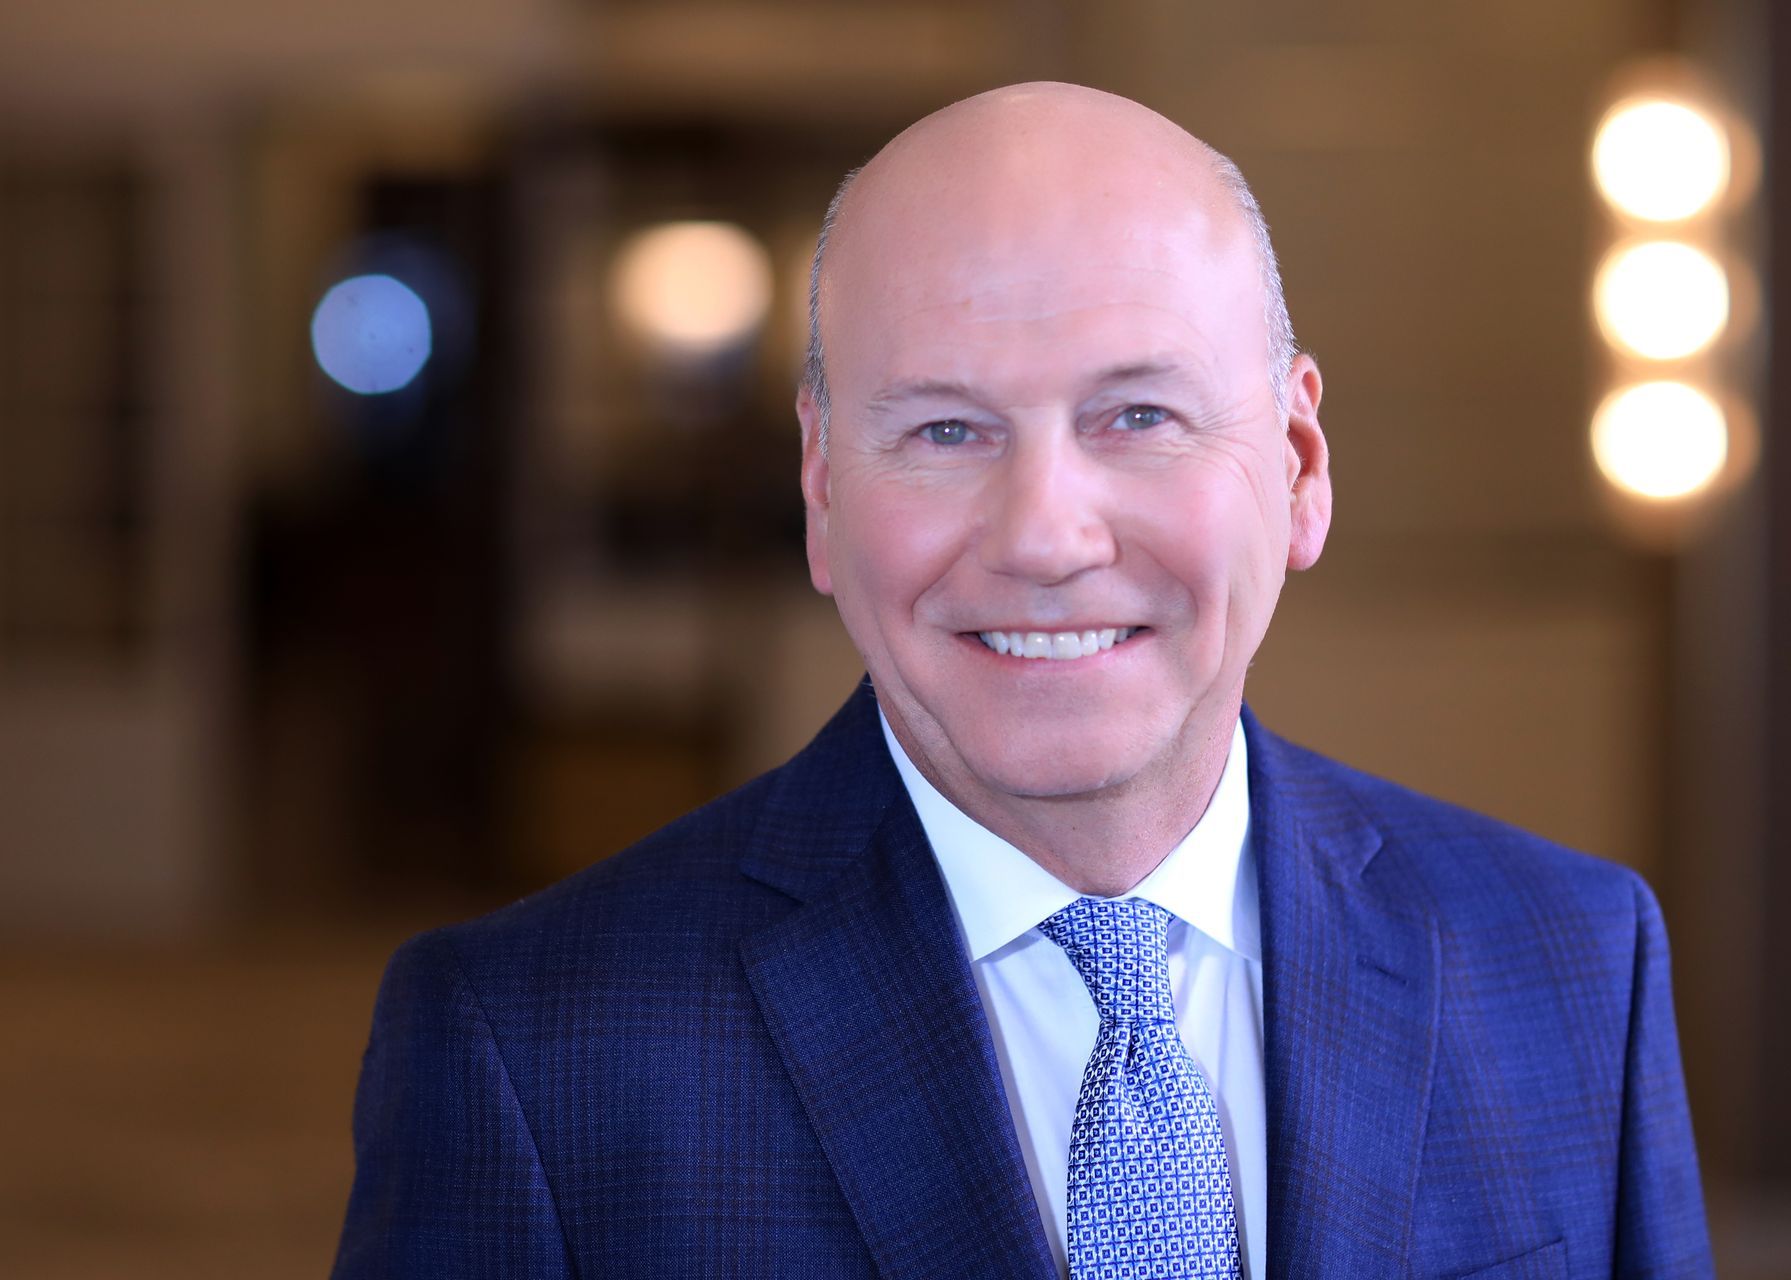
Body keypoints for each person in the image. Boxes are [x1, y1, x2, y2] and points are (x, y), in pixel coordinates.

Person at [332, 82, 1712, 1279]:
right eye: (944, 428)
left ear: (1298, 465)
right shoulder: (527, 1055)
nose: (1046, 534)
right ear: (822, 488)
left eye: (1140, 416)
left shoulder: (1577, 966)